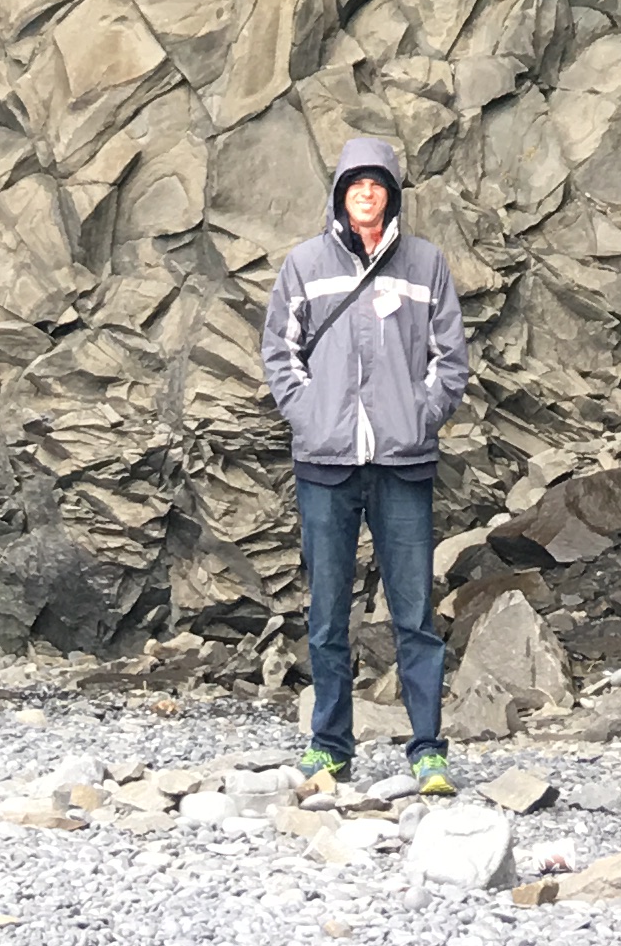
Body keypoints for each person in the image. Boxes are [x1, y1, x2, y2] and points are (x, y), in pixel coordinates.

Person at [259, 135, 470, 797]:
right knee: (326, 616)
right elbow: (279, 354)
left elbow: (450, 357)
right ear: (341, 193)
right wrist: (309, 414)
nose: (367, 194)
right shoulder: (304, 265)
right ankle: (330, 750)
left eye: (378, 184)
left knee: (414, 614)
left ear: (392, 194)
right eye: (357, 184)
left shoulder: (425, 264)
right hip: (326, 461)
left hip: (402, 463)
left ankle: (428, 751)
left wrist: (420, 415)